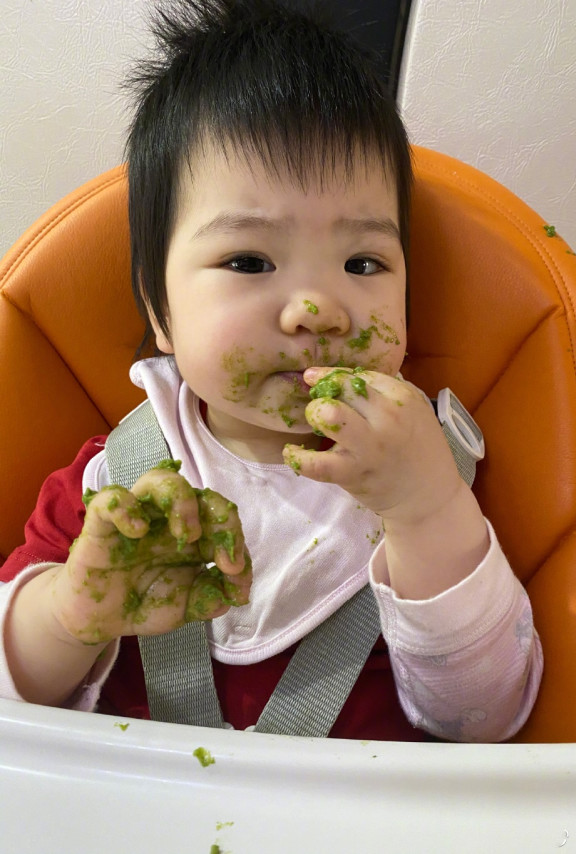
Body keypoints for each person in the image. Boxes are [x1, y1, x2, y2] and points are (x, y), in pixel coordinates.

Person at [0, 0, 542, 742]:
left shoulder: (426, 474)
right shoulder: (112, 490)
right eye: (249, 261)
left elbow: (486, 721)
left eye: (363, 264)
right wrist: (68, 616)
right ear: (160, 311)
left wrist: (426, 513)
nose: (317, 310)